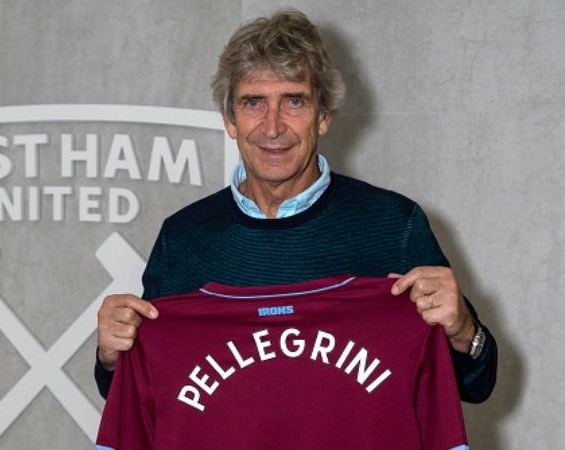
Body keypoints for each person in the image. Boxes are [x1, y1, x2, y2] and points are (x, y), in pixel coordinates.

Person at [95, 8, 496, 404]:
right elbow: (145, 398)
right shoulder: (183, 238)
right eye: (253, 103)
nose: (272, 127)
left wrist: (465, 332)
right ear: (229, 120)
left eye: (293, 102)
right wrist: (111, 360)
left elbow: (473, 386)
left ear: (322, 116)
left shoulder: (394, 225)